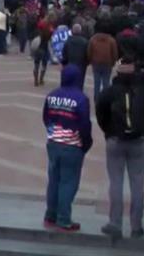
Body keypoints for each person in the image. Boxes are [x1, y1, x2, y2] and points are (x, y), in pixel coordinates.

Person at [95, 58, 144, 240]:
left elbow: (100, 114)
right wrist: (143, 132)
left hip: (115, 139)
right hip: (137, 141)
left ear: (118, 74)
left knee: (116, 183)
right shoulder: (143, 92)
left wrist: (108, 131)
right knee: (138, 184)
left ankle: (115, 223)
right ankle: (136, 225)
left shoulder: (109, 92)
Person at [43, 64, 92, 232]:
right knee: (68, 182)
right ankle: (64, 219)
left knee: (54, 180)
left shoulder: (52, 95)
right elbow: (85, 124)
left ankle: (50, 215)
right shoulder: (81, 98)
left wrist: (53, 132)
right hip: (72, 144)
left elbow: (46, 117)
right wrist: (86, 143)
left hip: (53, 142)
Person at [87, 28, 118, 101]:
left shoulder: (93, 39)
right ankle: (105, 98)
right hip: (107, 63)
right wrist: (113, 62)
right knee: (106, 82)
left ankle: (97, 98)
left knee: (96, 82)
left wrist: (91, 60)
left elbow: (89, 51)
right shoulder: (111, 40)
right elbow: (115, 53)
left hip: (96, 62)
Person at [60, 23, 89, 91]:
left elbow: (64, 53)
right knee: (80, 82)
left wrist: (63, 63)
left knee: (68, 80)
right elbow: (87, 54)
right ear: (80, 31)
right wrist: (86, 62)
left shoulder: (68, 41)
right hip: (81, 65)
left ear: (72, 31)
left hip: (69, 64)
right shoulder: (85, 41)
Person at [32, 17, 53, 87]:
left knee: (36, 64)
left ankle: (35, 80)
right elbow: (51, 37)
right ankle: (41, 79)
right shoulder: (48, 31)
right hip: (44, 48)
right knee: (44, 65)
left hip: (37, 48)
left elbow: (33, 40)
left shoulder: (37, 31)